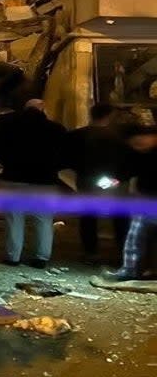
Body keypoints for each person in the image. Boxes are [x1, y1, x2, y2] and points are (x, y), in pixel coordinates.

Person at [0, 99, 67, 268]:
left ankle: (13, 256)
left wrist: (6, 161)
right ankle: (41, 257)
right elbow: (66, 154)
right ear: (42, 109)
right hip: (45, 181)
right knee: (43, 219)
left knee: (14, 218)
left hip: (13, 178)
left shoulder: (8, 126)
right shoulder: (56, 129)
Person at [62, 103, 131, 261]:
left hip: (88, 180)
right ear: (109, 116)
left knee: (88, 217)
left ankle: (90, 252)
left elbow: (67, 158)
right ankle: (122, 253)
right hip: (116, 182)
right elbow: (129, 160)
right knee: (120, 218)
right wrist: (119, 177)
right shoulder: (120, 137)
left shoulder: (76, 136)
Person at [103, 127, 157, 282]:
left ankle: (133, 270)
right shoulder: (141, 154)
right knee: (136, 237)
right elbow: (126, 171)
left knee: (137, 236)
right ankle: (131, 270)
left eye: (139, 141)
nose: (137, 145)